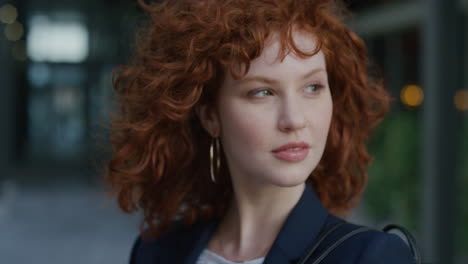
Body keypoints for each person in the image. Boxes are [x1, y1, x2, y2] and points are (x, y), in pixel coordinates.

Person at [106, 0, 416, 263]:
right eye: (262, 93)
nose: (294, 119)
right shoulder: (157, 252)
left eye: (312, 87)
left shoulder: (368, 256)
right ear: (211, 116)